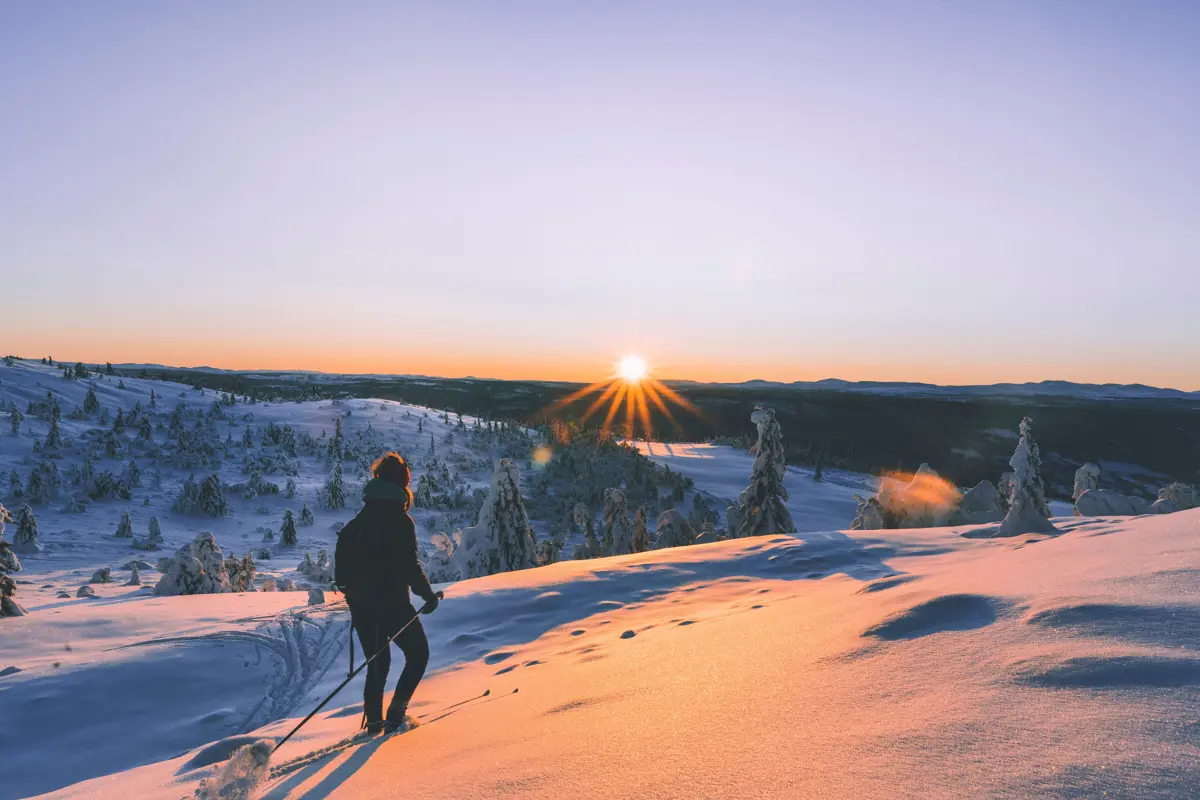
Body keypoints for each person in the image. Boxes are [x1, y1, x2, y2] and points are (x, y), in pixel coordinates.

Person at [335, 452, 441, 734]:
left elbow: (343, 576)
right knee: (418, 655)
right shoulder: (400, 520)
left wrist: (358, 598)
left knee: (377, 663)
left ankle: (374, 723)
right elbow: (409, 565)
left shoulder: (361, 519)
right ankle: (396, 714)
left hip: (362, 605)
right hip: (394, 604)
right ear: (401, 483)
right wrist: (427, 596)